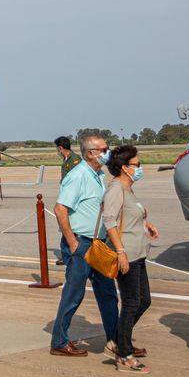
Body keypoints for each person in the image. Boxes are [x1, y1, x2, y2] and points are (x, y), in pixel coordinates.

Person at [48, 134, 120, 358]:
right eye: (104, 149)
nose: (108, 152)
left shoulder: (98, 174)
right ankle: (59, 341)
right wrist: (73, 243)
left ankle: (117, 341)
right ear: (91, 153)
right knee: (73, 294)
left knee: (108, 294)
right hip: (81, 243)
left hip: (97, 244)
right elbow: (60, 209)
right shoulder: (78, 175)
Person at [102, 146, 158, 372]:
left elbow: (130, 215)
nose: (140, 168)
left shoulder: (128, 188)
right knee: (132, 303)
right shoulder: (116, 189)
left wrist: (146, 224)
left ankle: (116, 341)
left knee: (143, 301)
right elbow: (110, 221)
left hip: (139, 253)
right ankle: (124, 354)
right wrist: (121, 252)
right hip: (127, 255)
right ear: (125, 168)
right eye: (137, 164)